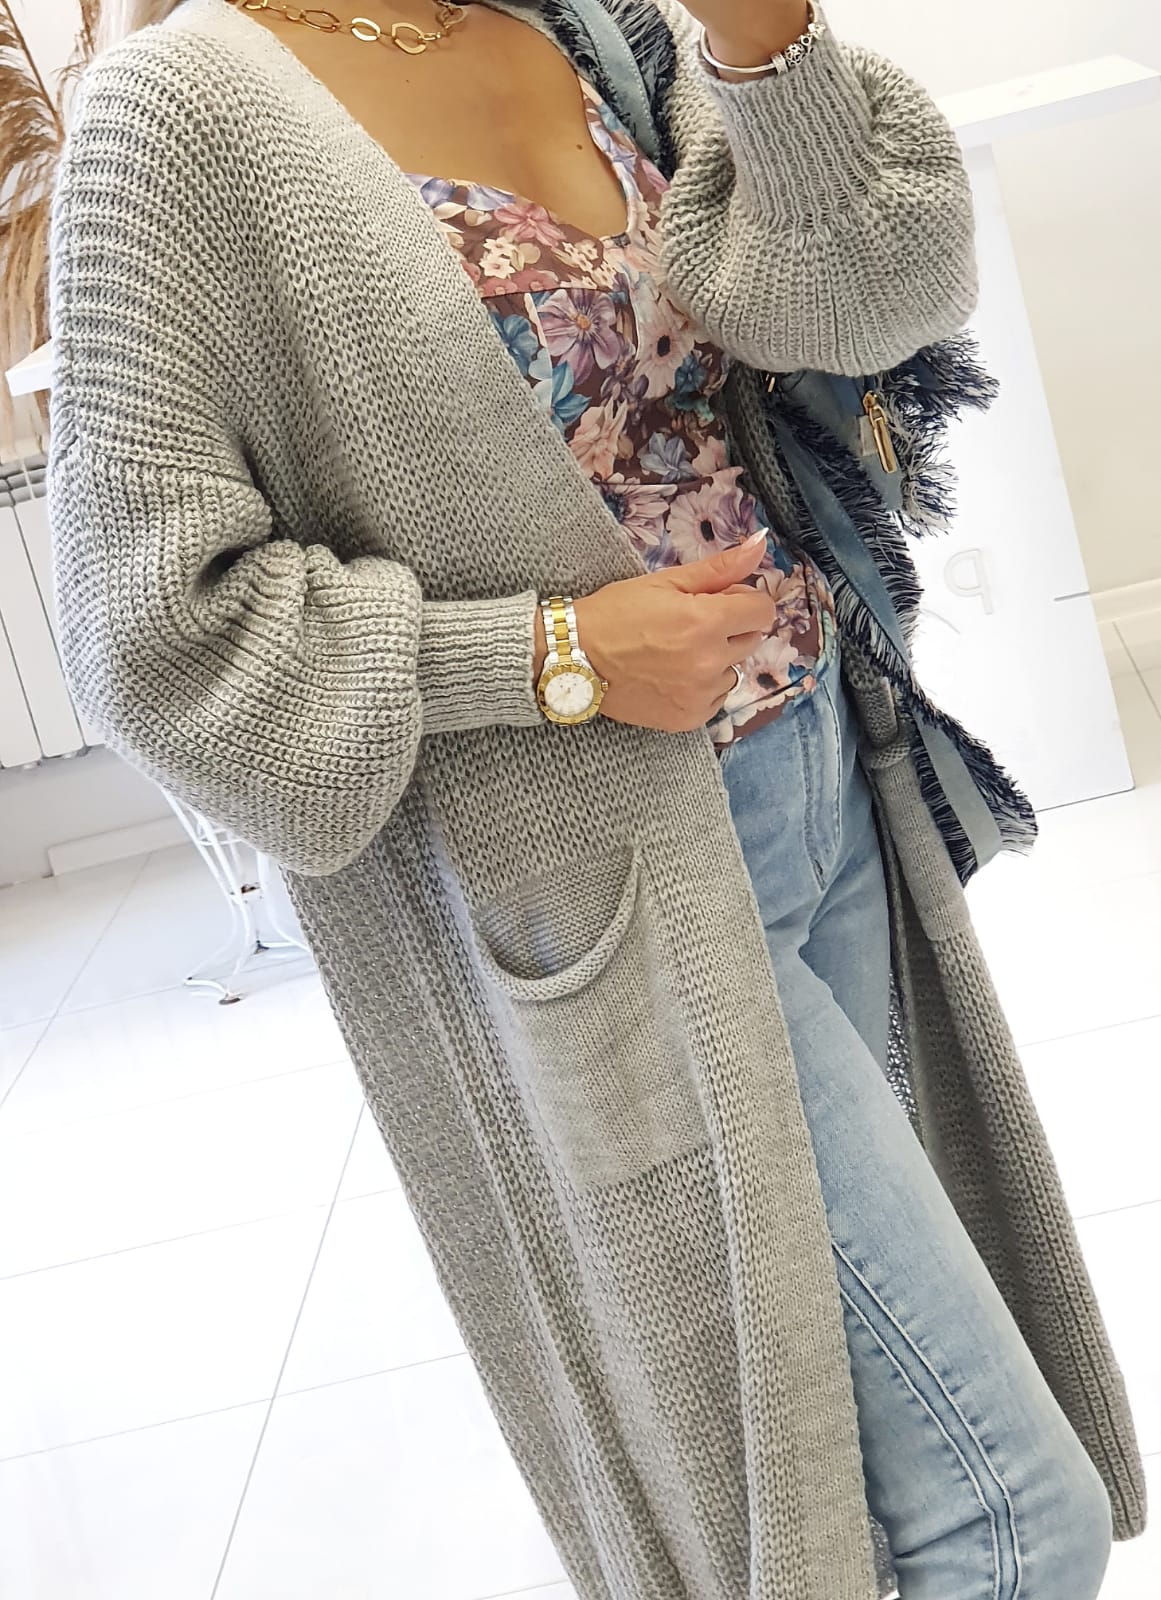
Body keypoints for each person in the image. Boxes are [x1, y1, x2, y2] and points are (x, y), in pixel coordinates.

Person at [46, 2, 1145, 1596]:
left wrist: (765, 51)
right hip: (612, 897)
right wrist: (550, 655)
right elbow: (155, 644)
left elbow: (877, 298)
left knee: (850, 1484)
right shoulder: (177, 118)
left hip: (827, 782)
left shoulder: (592, 26)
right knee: (1003, 1516)